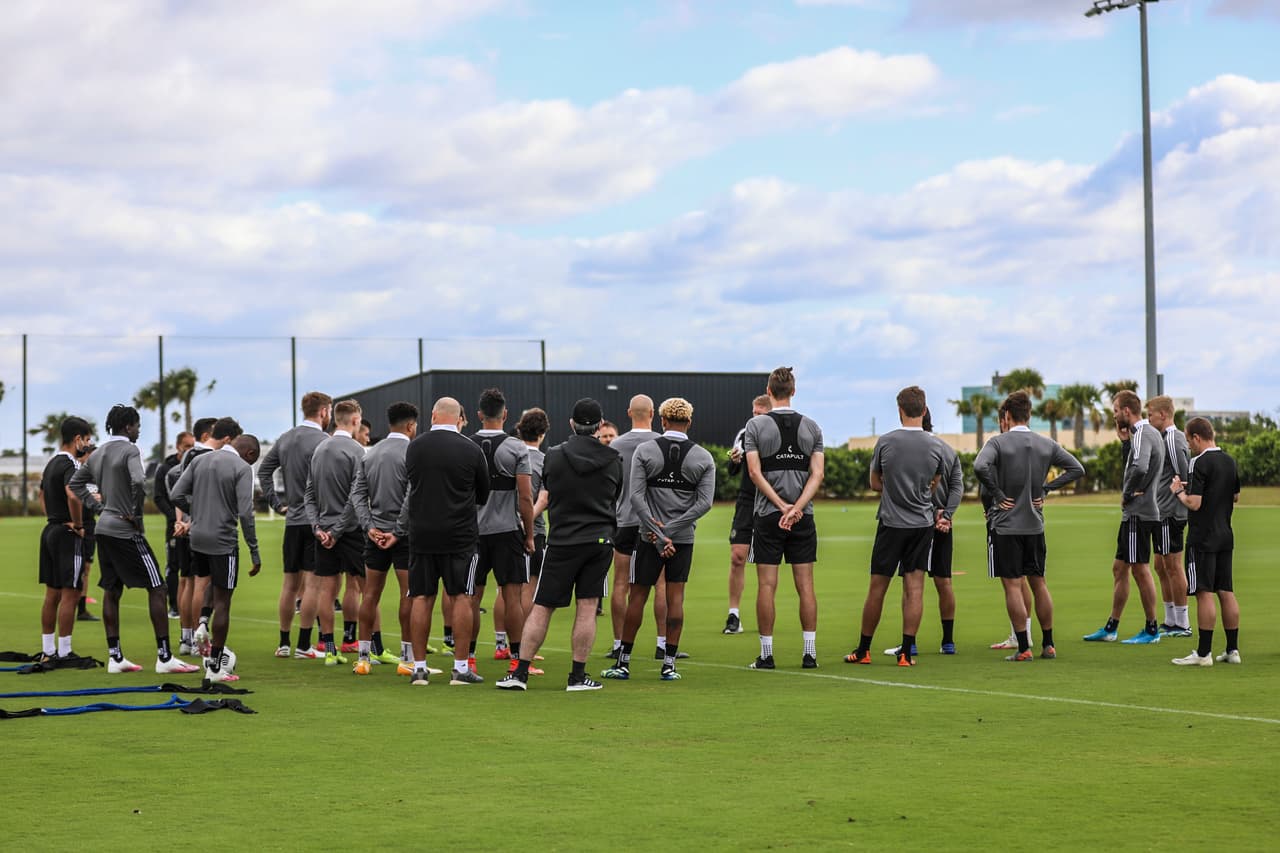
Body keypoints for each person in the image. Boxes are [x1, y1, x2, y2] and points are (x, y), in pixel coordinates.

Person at [498, 398, 622, 692]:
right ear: (600, 425)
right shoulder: (613, 459)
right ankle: (577, 677)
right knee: (587, 606)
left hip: (563, 539)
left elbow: (547, 494)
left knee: (542, 607)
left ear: (571, 424)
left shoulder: (553, 455)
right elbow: (615, 496)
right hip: (599, 540)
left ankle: (520, 673)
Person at [69, 405, 198, 674]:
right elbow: (139, 481)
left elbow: (76, 484)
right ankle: (164, 657)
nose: (139, 431)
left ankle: (115, 657)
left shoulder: (98, 452)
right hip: (125, 530)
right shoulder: (130, 449)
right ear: (128, 427)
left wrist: (97, 509)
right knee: (159, 588)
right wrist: (134, 513)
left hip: (104, 528)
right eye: (138, 426)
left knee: (112, 590)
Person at [604, 398, 715, 681]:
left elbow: (636, 497)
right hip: (682, 539)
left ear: (662, 421)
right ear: (689, 422)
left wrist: (659, 532)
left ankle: (623, 662)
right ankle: (669, 664)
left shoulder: (646, 450)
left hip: (649, 536)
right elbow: (704, 504)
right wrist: (673, 530)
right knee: (675, 598)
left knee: (637, 596)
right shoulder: (703, 457)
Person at [382, 397, 490, 686]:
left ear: (433, 415)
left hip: (422, 534)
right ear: (458, 418)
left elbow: (412, 484)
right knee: (463, 598)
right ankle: (460, 668)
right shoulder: (471, 449)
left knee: (421, 597)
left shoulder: (415, 447)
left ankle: (419, 667)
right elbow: (482, 494)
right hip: (460, 535)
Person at [973, 392, 1085, 661]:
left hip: (1007, 526)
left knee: (1013, 586)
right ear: (1029, 415)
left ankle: (1023, 646)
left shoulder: (998, 443)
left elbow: (979, 466)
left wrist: (998, 495)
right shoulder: (1045, 444)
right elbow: (1076, 468)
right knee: (1040, 584)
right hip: (1035, 525)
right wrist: (1046, 488)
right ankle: (1048, 644)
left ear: (1008, 416)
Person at [845, 386, 945, 668]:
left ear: (900, 410)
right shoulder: (937, 445)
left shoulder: (886, 442)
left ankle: (864, 650)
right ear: (924, 410)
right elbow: (935, 483)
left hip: (891, 523)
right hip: (922, 525)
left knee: (878, 587)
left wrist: (895, 488)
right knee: (915, 588)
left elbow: (875, 483)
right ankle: (906, 653)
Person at [744, 367, 824, 670]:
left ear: (769, 390)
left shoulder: (756, 426)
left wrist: (780, 506)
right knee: (806, 585)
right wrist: (796, 508)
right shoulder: (812, 427)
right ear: (793, 390)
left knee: (767, 586)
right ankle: (809, 653)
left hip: (768, 516)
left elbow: (754, 472)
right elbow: (817, 475)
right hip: (802, 517)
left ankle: (766, 654)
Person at [170, 423, 262, 682]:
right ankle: (214, 667)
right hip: (223, 540)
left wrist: (197, 511)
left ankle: (201, 622)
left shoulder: (201, 460)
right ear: (250, 454)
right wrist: (254, 551)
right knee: (224, 599)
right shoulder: (242, 468)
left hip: (196, 538)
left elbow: (176, 494)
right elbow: (245, 513)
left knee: (207, 582)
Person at [1083, 390, 1164, 644]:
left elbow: (1140, 467)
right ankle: (1112, 627)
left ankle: (1152, 629)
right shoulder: (1143, 435)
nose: (1115, 415)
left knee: (1140, 569)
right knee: (1120, 568)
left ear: (1127, 411)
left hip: (1138, 512)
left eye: (1116, 410)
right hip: (1139, 511)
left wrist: (1128, 493)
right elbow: (1136, 462)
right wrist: (1125, 444)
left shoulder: (1142, 432)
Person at [258, 391, 332, 658]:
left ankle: (284, 642)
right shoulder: (324, 441)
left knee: (289, 584)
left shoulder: (286, 438)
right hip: (316, 522)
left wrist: (275, 503)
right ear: (323, 411)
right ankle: (303, 644)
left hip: (292, 522)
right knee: (313, 585)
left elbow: (264, 471)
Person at [886, 407, 963, 656]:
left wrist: (934, 514)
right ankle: (948, 642)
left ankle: (910, 643)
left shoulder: (908, 449)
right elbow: (957, 487)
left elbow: (906, 487)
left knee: (910, 584)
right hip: (942, 523)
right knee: (944, 582)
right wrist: (947, 515)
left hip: (915, 523)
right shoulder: (947, 450)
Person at [349, 401, 419, 675]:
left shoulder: (370, 453)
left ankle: (364, 658)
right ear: (411, 425)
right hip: (403, 536)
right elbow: (412, 495)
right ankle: (406, 658)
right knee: (408, 596)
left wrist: (369, 527)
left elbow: (357, 494)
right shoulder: (412, 452)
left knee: (370, 595)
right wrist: (398, 531)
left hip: (375, 534)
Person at [469, 389, 535, 674]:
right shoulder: (517, 448)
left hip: (473, 534)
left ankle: (467, 658)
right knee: (512, 597)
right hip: (508, 531)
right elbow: (525, 498)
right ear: (505, 415)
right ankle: (517, 658)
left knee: (471, 597)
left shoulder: (466, 444)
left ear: (479, 415)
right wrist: (530, 534)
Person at [604, 395, 672, 661]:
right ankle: (662, 643)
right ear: (653, 413)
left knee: (620, 583)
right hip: (655, 522)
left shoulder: (615, 446)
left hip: (623, 520)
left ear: (629, 412)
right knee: (661, 584)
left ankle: (619, 642)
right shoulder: (661, 443)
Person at [1169, 418, 1242, 666]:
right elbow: (1234, 496)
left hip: (1202, 537)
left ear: (1197, 437)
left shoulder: (1198, 462)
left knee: (1203, 592)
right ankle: (1232, 650)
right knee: (1226, 591)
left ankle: (1203, 654)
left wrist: (1179, 491)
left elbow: (1195, 503)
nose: (1189, 446)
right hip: (1225, 534)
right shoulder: (1229, 461)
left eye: (1189, 441)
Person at [304, 399, 366, 666]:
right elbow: (356, 497)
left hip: (324, 531)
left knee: (327, 590)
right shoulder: (358, 450)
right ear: (354, 420)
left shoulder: (319, 449)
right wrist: (338, 530)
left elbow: (308, 494)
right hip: (349, 530)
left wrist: (318, 528)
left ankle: (330, 650)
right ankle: (368, 647)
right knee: (365, 589)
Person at [36, 416, 95, 662]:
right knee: (71, 593)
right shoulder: (70, 465)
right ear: (78, 439)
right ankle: (65, 651)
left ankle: (48, 650)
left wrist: (54, 516)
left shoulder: (51, 463)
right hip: (66, 534)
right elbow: (73, 494)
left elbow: (41, 493)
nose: (88, 444)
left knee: (52, 594)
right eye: (87, 439)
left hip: (50, 530)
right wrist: (79, 524)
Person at [723, 395, 772, 635]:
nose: (755, 418)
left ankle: (766, 615)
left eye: (760, 414)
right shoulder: (744, 433)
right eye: (753, 413)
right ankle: (734, 614)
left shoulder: (777, 435)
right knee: (737, 556)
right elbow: (732, 469)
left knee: (766, 562)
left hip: (771, 501)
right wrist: (733, 461)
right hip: (746, 501)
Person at [170, 417, 216, 655]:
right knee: (201, 583)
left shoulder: (186, 457)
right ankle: (199, 641)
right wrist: (190, 522)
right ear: (208, 436)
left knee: (186, 582)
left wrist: (180, 520)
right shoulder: (203, 456)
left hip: (185, 525)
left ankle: (186, 638)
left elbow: (178, 488)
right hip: (198, 527)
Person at [1147, 395, 1192, 637]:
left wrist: (1182, 502)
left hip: (1171, 513)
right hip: (1161, 511)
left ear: (1163, 415)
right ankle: (1171, 619)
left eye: (1150, 414)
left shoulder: (1173, 440)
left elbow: (1184, 476)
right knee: (1161, 564)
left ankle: (1182, 623)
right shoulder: (1163, 438)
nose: (1148, 418)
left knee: (1173, 565)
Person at [153, 431, 194, 619]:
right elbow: (159, 497)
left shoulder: (195, 464)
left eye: (192, 446)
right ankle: (174, 606)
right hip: (174, 525)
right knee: (173, 565)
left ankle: (192, 607)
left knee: (191, 569)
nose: (189, 450)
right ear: (178, 446)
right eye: (186, 446)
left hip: (194, 525)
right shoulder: (165, 469)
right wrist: (174, 519)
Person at [516, 408, 551, 625]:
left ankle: (502, 642)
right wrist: (526, 519)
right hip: (534, 531)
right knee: (529, 587)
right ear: (543, 433)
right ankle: (522, 645)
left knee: (507, 590)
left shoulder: (509, 453)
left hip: (506, 528)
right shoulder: (546, 461)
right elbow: (544, 499)